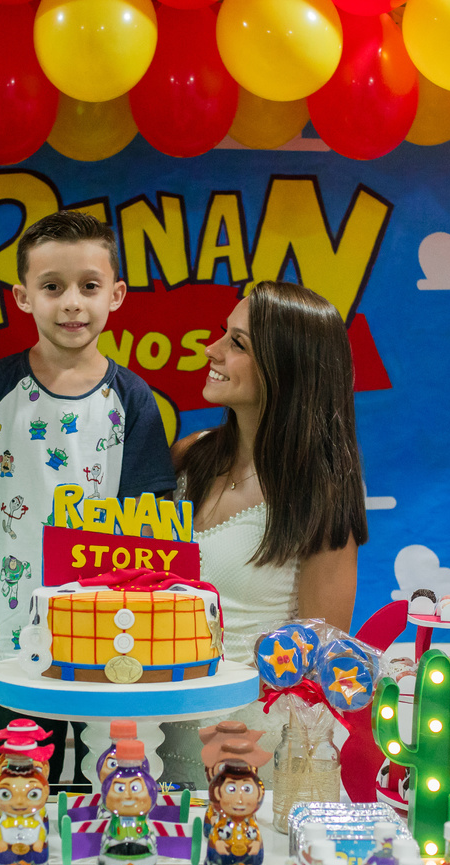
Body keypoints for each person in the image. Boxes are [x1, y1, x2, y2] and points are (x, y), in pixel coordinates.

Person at [0, 211, 175, 784]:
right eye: (52, 287)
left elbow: (145, 529)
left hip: (108, 632)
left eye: (89, 286)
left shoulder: (133, 398)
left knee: (108, 778)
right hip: (13, 629)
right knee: (23, 778)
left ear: (116, 295)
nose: (72, 303)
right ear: (23, 297)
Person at [171, 281, 369, 775]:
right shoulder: (188, 456)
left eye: (237, 343)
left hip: (252, 760)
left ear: (287, 369)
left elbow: (320, 668)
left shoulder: (319, 496)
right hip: (153, 736)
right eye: (224, 333)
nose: (212, 349)